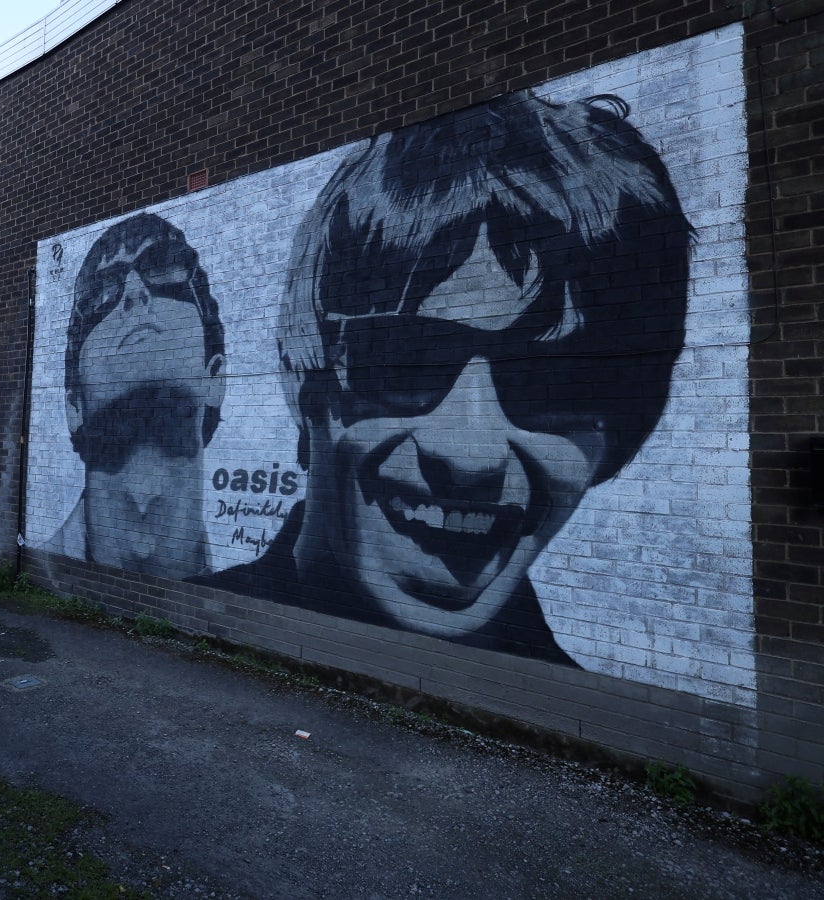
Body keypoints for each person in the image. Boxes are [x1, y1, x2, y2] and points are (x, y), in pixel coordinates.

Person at [204, 90, 693, 663]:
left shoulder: (604, 722)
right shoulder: (190, 632)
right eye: (408, 360)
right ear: (303, 379)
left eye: (552, 383)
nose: (471, 457)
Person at [47, 212, 226, 580]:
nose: (133, 293)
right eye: (100, 294)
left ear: (214, 378)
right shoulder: (39, 569)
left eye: (166, 273)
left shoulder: (253, 598)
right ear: (74, 407)